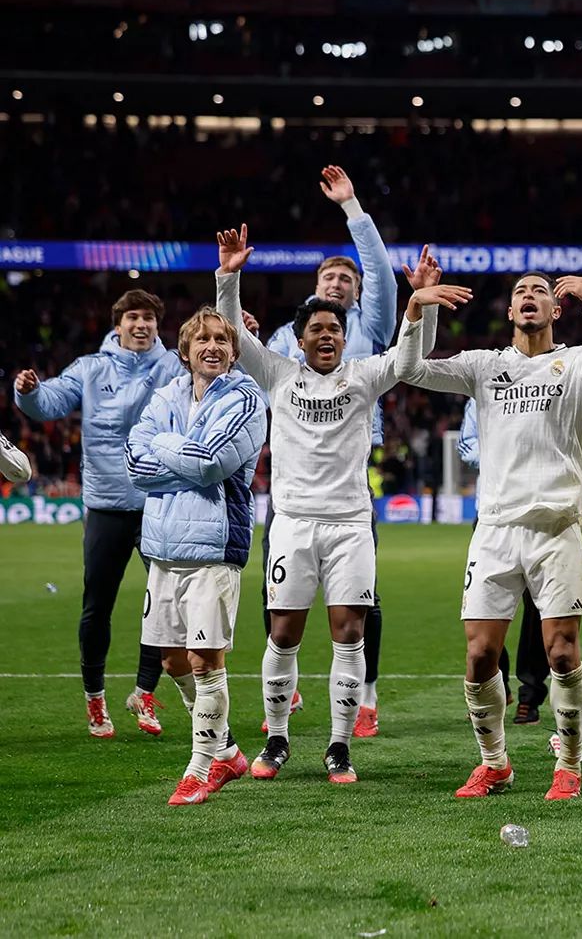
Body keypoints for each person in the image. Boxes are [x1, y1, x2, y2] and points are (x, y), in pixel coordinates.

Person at [216, 226, 455, 784]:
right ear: (298, 340)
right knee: (283, 632)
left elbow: (410, 358)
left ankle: (340, 747)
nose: (327, 335)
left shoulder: (363, 377)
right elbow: (232, 329)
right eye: (317, 329)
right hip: (293, 525)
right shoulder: (277, 374)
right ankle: (276, 739)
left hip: (350, 525)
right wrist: (229, 274)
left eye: (335, 329)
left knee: (350, 632)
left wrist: (420, 304)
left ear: (346, 339)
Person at [396, 269, 582, 802]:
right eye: (520, 292)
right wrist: (418, 310)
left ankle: (569, 763)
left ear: (556, 310)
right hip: (496, 530)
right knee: (480, 655)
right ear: (509, 313)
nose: (530, 297)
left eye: (541, 292)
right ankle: (494, 763)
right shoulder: (484, 366)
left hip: (556, 530)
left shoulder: (575, 364)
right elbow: (409, 368)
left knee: (562, 654)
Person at [260, 166, 399, 738]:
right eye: (329, 275)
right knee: (275, 594)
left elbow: (383, 277)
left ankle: (364, 693)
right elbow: (254, 387)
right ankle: (282, 697)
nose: (338, 282)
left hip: (351, 476)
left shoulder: (370, 327)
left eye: (347, 277)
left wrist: (352, 209)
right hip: (293, 477)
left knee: (363, 598)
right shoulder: (284, 341)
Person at [14, 288, 184, 737]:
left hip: (158, 505)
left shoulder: (173, 367)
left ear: (156, 325)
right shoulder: (91, 368)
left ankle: (144, 694)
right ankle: (95, 700)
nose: (141, 324)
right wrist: (27, 394)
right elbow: (50, 402)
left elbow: (217, 373)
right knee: (97, 608)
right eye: (133, 316)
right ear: (118, 323)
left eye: (149, 317)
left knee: (165, 605)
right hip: (106, 506)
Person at [123, 306, 266, 805]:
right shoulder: (168, 395)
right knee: (171, 659)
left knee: (206, 660)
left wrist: (162, 444)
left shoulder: (247, 399)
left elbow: (210, 466)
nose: (212, 347)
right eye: (202, 340)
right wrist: (179, 448)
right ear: (184, 353)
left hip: (213, 548)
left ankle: (200, 769)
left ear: (234, 351)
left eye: (222, 340)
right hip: (162, 547)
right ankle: (225, 750)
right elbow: (132, 463)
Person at [458, 397, 547, 719]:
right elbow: (467, 444)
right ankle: (496, 685)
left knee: (538, 611)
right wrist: (508, 454)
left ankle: (531, 695)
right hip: (491, 515)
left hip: (538, 513)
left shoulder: (548, 391)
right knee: (484, 607)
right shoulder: (482, 392)